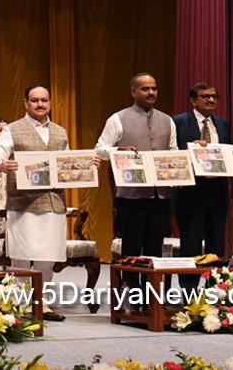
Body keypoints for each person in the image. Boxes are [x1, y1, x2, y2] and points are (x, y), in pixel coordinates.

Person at [0, 85, 99, 322]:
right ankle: (18, 303)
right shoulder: (12, 130)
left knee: (48, 255)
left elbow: (67, 164)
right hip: (23, 203)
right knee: (21, 254)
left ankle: (41, 303)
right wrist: (1, 165)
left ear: (50, 103)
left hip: (53, 202)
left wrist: (86, 166)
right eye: (35, 100)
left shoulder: (60, 132)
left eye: (44, 100)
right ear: (25, 103)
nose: (40, 104)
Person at [95, 73, 177, 304]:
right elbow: (100, 149)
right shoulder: (118, 119)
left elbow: (173, 152)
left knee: (154, 248)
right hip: (130, 196)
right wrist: (118, 152)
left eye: (154, 88)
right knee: (132, 250)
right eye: (145, 89)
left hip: (160, 195)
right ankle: (132, 296)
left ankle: (151, 298)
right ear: (133, 92)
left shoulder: (167, 120)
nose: (151, 93)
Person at [172, 82, 233, 289]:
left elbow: (226, 154)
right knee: (191, 246)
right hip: (190, 194)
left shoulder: (222, 124)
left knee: (216, 247)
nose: (210, 100)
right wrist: (192, 149)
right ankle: (188, 294)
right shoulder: (178, 122)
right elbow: (172, 153)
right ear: (193, 100)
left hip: (217, 194)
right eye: (205, 96)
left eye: (214, 96)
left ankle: (216, 292)